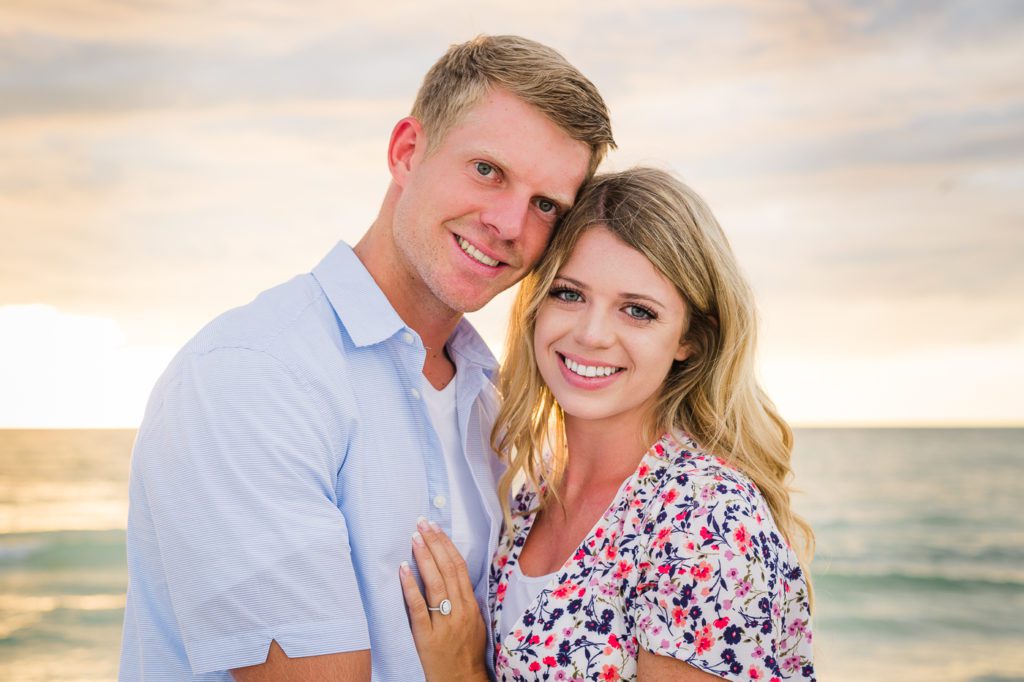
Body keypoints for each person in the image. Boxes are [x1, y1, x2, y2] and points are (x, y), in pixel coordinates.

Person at [119, 35, 614, 681]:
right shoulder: (251, 376)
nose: (509, 223)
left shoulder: (492, 402)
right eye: (487, 170)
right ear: (407, 153)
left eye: (546, 205)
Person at [402, 168, 816, 681]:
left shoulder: (705, 517)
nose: (592, 334)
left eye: (638, 311)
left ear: (692, 339)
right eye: (569, 294)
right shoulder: (527, 495)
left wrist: (461, 673)